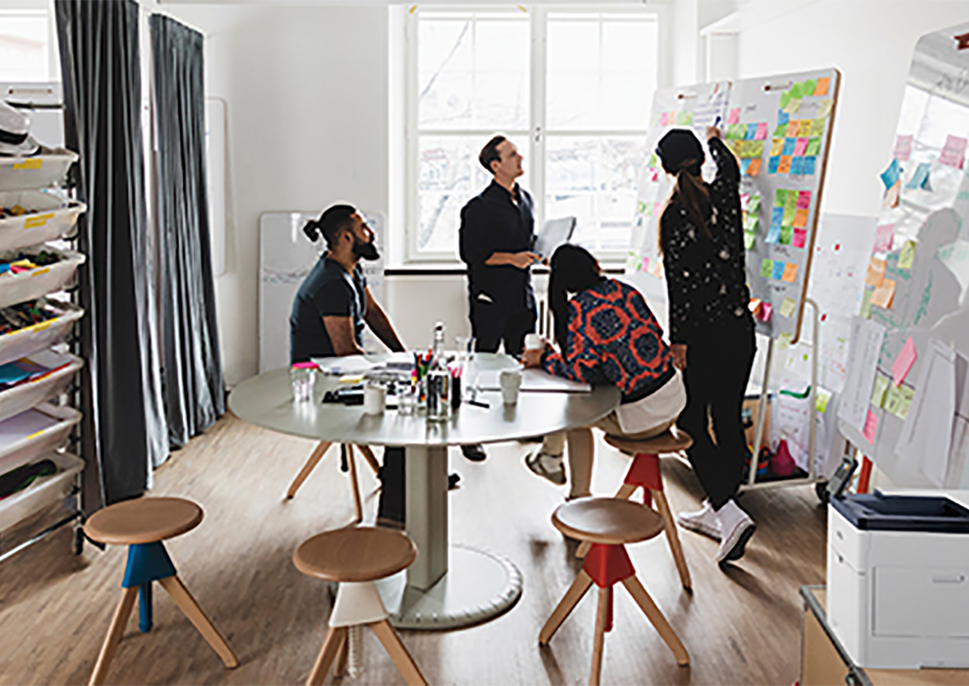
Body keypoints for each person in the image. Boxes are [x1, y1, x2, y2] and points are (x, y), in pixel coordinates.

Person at [656, 126, 758, 566]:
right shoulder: (725, 198)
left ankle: (726, 510)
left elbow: (680, 288)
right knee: (728, 419)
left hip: (702, 338)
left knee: (690, 420)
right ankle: (723, 508)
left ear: (664, 167)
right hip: (740, 331)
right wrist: (717, 140)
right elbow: (731, 169)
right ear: (699, 158)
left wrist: (677, 340)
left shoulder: (674, 215)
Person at [522, 244, 687, 502]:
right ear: (594, 265)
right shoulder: (625, 290)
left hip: (644, 420)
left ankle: (574, 491)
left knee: (573, 414)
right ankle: (548, 459)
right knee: (583, 398)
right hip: (676, 400)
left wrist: (544, 358)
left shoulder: (580, 311)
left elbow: (579, 372)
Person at [290, 204, 419, 526]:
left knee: (410, 391)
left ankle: (411, 479)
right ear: (347, 237)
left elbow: (372, 313)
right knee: (404, 409)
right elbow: (345, 351)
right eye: (364, 228)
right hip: (323, 385)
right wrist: (395, 372)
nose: (371, 233)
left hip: (340, 373)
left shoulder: (350, 269)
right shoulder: (332, 283)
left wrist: (404, 358)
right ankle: (394, 512)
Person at [458, 135, 541, 462]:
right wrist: (511, 258)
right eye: (512, 154)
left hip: (522, 296)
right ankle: (471, 435)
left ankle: (518, 424)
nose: (520, 158)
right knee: (483, 365)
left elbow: (526, 242)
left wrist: (536, 253)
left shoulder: (526, 199)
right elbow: (470, 254)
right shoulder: (477, 208)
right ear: (496, 165)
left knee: (521, 362)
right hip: (490, 298)